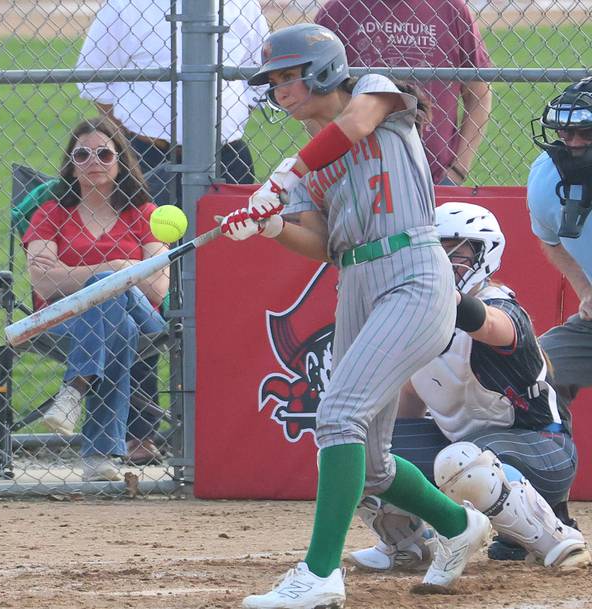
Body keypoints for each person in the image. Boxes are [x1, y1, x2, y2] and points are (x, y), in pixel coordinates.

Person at [219, 24, 491, 609]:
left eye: (289, 75)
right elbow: (318, 241)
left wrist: (285, 176)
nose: (280, 89)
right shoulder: (307, 163)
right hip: (357, 282)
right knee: (368, 462)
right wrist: (269, 225)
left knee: (337, 415)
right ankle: (458, 526)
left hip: (413, 269)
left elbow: (356, 125)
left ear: (321, 70)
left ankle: (319, 576)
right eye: (273, 80)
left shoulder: (375, 93)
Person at [347, 202, 590, 572]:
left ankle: (556, 538)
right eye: (434, 250)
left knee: (464, 459)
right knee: (356, 448)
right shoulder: (420, 321)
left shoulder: (503, 308)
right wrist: (385, 453)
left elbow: (492, 326)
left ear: (485, 253)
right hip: (464, 453)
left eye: (455, 250)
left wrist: (440, 294)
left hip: (544, 451)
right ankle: (406, 543)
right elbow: (413, 395)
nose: (443, 260)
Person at [22, 117, 169, 482]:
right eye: (82, 154)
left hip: (144, 318)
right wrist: (118, 268)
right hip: (68, 320)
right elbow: (42, 284)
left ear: (120, 161)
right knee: (112, 315)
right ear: (71, 163)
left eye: (104, 153)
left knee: (110, 295)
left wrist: (76, 276)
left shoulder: (145, 215)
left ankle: (75, 389)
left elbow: (155, 291)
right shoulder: (51, 214)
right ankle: (98, 457)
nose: (94, 162)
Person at [74, 0, 268, 205]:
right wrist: (126, 131)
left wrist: (234, 116)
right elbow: (92, 77)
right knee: (147, 235)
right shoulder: (125, 5)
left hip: (226, 155)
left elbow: (262, 74)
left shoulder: (243, 5)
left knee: (229, 233)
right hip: (146, 155)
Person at [315, 0, 493, 185]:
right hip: (358, 176)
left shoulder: (450, 8)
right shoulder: (337, 11)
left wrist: (457, 171)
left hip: (434, 179)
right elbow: (312, 99)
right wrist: (335, 167)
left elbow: (478, 94)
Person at [529, 77, 592, 404]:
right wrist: (585, 291)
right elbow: (551, 241)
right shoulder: (546, 179)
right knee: (531, 374)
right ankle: (547, 451)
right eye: (565, 133)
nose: (574, 144)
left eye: (587, 133)